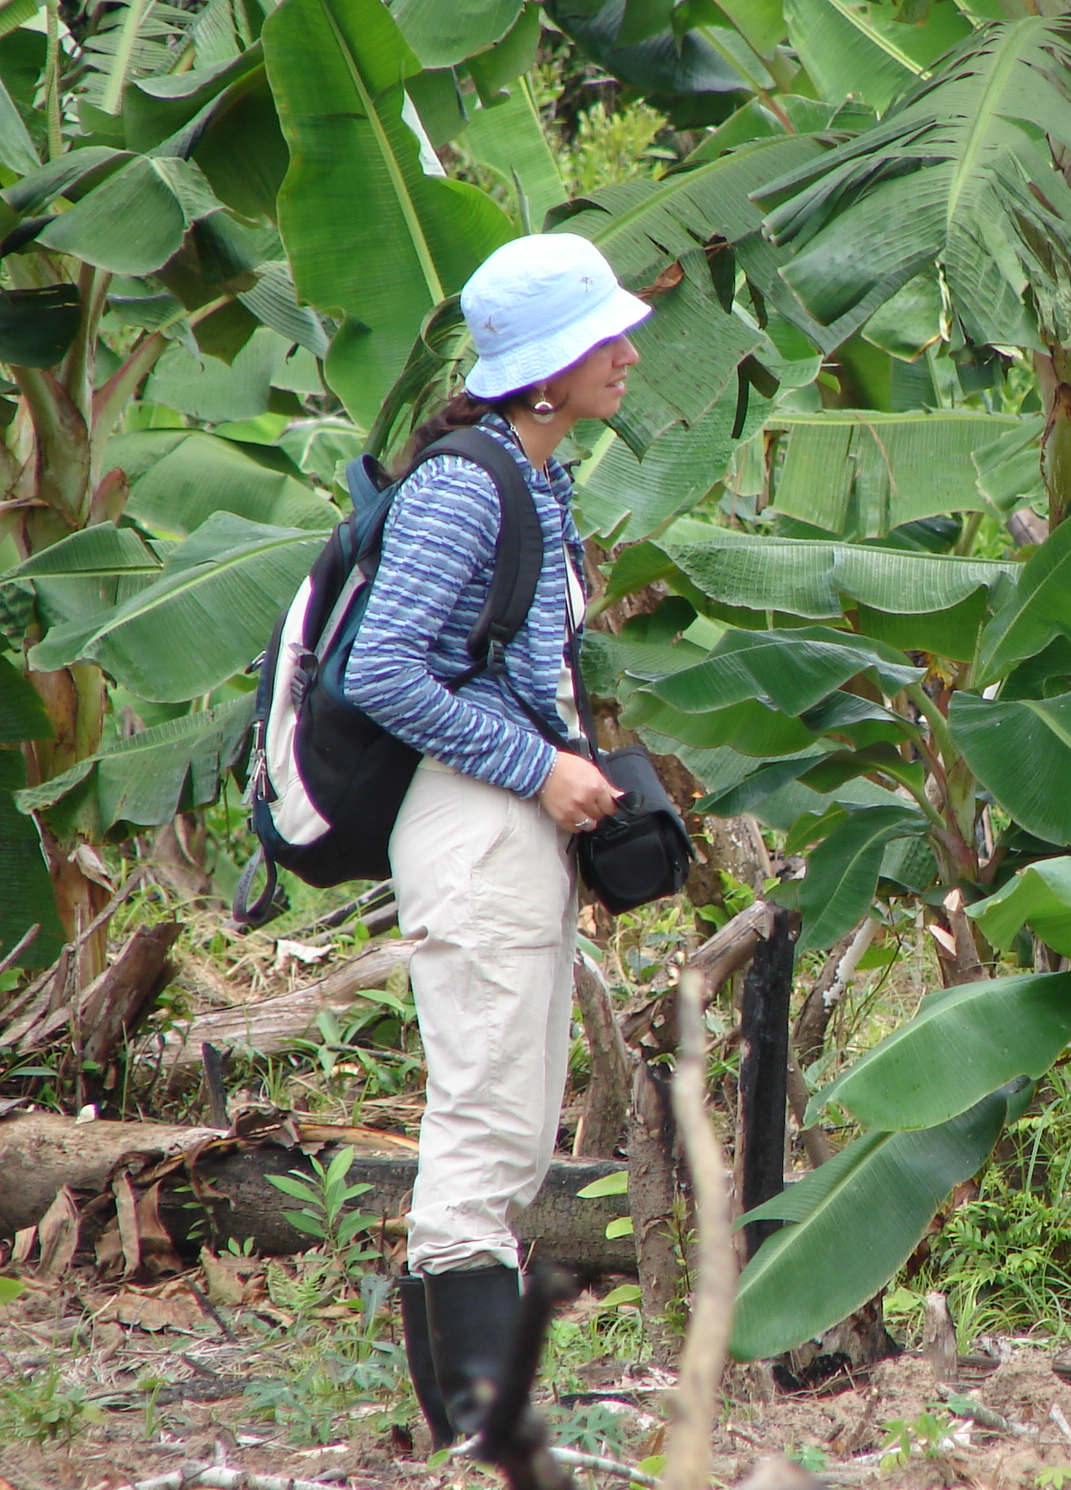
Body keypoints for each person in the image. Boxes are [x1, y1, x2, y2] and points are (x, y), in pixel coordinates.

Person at [343, 232, 650, 1449]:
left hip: (514, 824)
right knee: (480, 1118)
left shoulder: (534, 474)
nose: (624, 355)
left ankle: (482, 1415)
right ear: (544, 367)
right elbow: (382, 669)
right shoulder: (469, 483)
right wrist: (540, 766)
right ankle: (476, 1429)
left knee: (517, 1126)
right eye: (601, 338)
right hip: (475, 821)